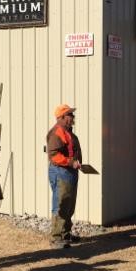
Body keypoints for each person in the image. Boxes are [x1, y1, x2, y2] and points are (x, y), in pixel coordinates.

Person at [46, 104, 82, 248]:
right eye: (70, 115)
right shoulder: (56, 133)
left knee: (69, 205)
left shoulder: (68, 132)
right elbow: (54, 156)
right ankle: (56, 238)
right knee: (60, 204)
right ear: (61, 117)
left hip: (69, 172)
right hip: (61, 172)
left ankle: (65, 234)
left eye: (72, 115)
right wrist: (70, 162)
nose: (73, 117)